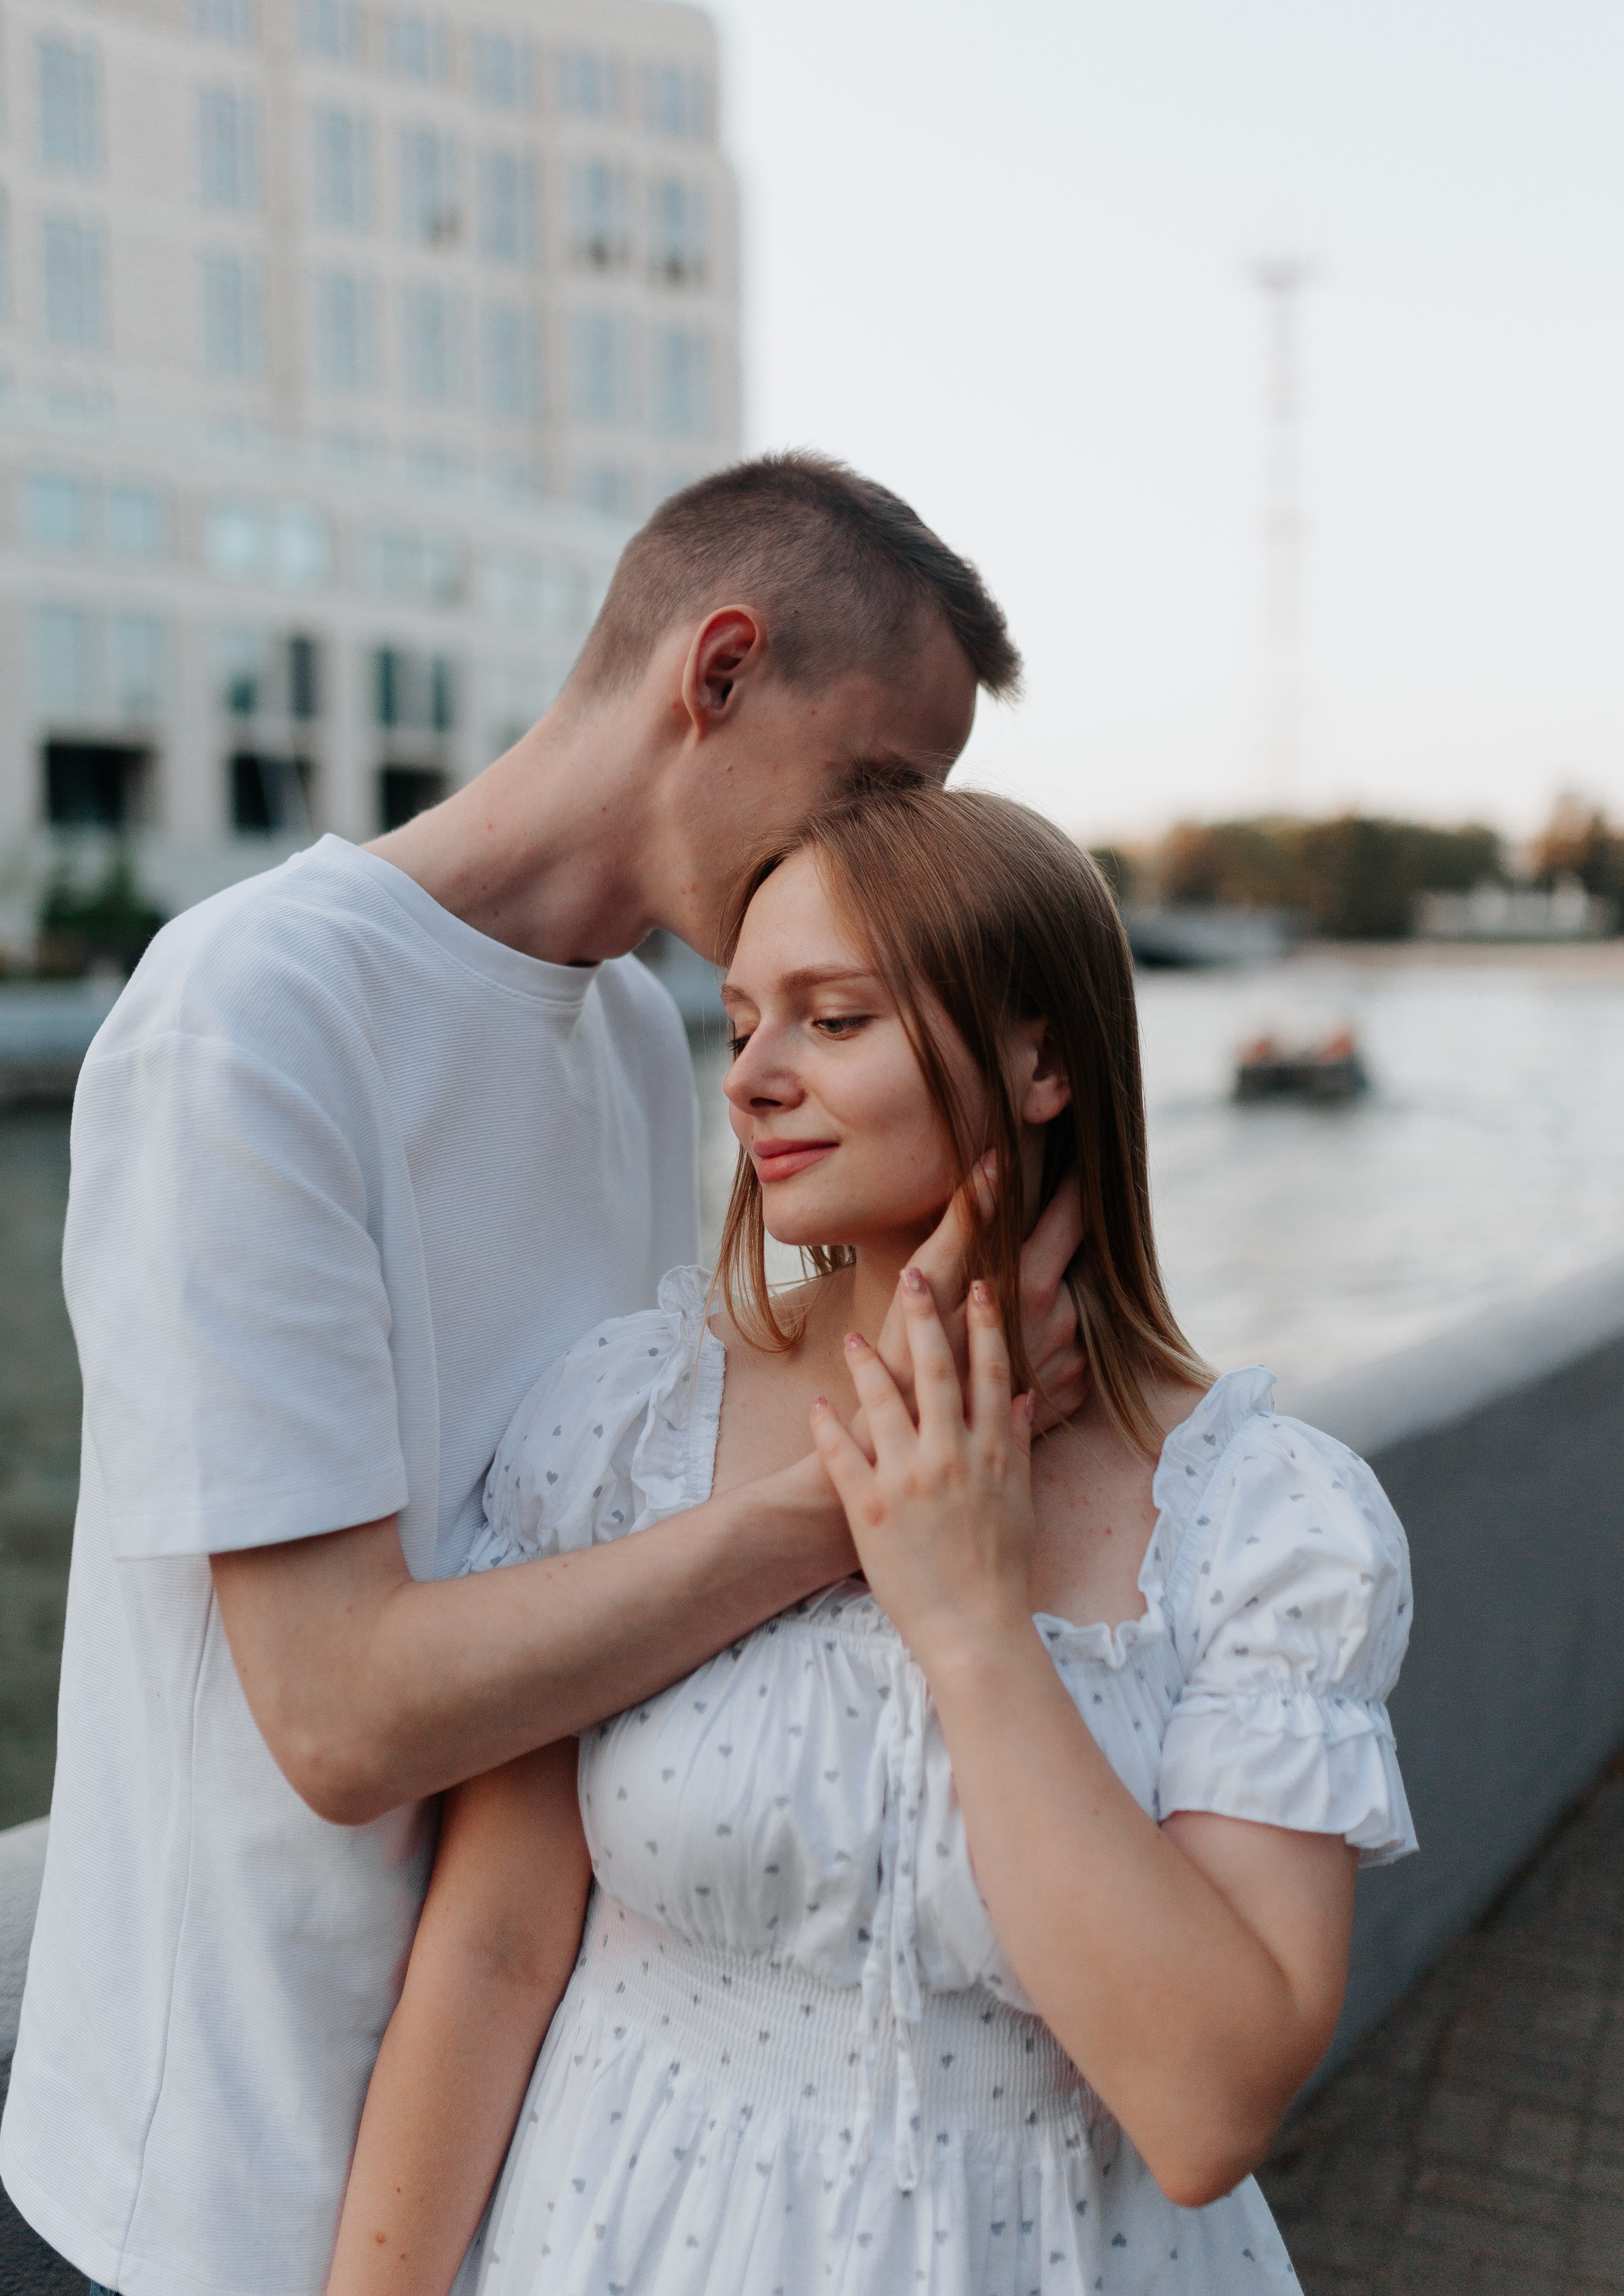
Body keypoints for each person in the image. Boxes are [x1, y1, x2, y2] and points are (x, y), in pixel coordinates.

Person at [0, 457, 1087, 2296]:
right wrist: (863, 1500)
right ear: (717, 670)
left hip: (523, 2158)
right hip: (204, 2196)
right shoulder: (252, 1015)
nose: (889, 870)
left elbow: (618, 1535)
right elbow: (341, 1716)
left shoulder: (627, 1046)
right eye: (882, 788)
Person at [324, 787, 1415, 2296]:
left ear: (1041, 1058)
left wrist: (967, 1620)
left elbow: (1203, 2103)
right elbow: (494, 1951)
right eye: (742, 1016)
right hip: (616, 2235)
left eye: (833, 1020)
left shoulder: (1264, 1521)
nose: (751, 1077)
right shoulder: (626, 1424)